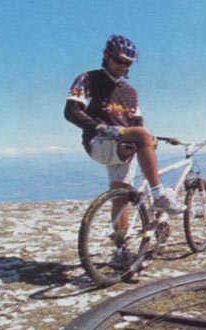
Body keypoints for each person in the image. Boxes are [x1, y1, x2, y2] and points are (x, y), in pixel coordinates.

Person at [64, 35, 186, 216]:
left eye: (128, 64)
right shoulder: (88, 79)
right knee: (142, 135)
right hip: (99, 142)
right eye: (119, 61)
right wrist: (99, 127)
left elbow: (137, 123)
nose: (123, 67)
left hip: (124, 147)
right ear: (107, 56)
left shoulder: (130, 92)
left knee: (120, 201)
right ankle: (159, 194)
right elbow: (71, 111)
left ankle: (121, 240)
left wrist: (147, 141)